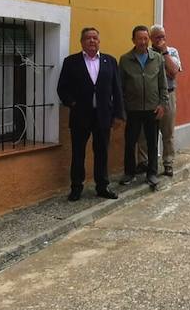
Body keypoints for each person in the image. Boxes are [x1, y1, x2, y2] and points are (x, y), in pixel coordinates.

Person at [57, 26, 124, 201]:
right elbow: (62, 88)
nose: (92, 41)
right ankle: (76, 188)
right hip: (80, 116)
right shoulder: (71, 62)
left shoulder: (110, 61)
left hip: (103, 115)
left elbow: (117, 90)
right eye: (88, 38)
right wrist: (72, 103)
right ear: (82, 42)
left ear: (99, 41)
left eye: (95, 37)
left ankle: (102, 186)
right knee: (78, 153)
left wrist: (118, 114)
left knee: (102, 152)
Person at [118, 25, 168, 189]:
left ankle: (152, 173)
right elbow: (120, 87)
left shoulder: (157, 58)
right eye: (139, 38)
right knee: (130, 142)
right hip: (133, 110)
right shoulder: (125, 60)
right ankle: (129, 173)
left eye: (145, 38)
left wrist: (162, 104)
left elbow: (163, 85)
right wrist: (122, 109)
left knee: (152, 143)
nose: (143, 42)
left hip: (152, 109)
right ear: (133, 40)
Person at [136, 25, 181, 177]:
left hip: (168, 95)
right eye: (157, 37)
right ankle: (144, 162)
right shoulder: (146, 53)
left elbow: (173, 72)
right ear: (151, 39)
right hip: (150, 97)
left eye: (163, 36)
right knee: (144, 132)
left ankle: (168, 162)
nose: (161, 40)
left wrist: (165, 52)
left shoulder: (172, 51)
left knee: (167, 131)